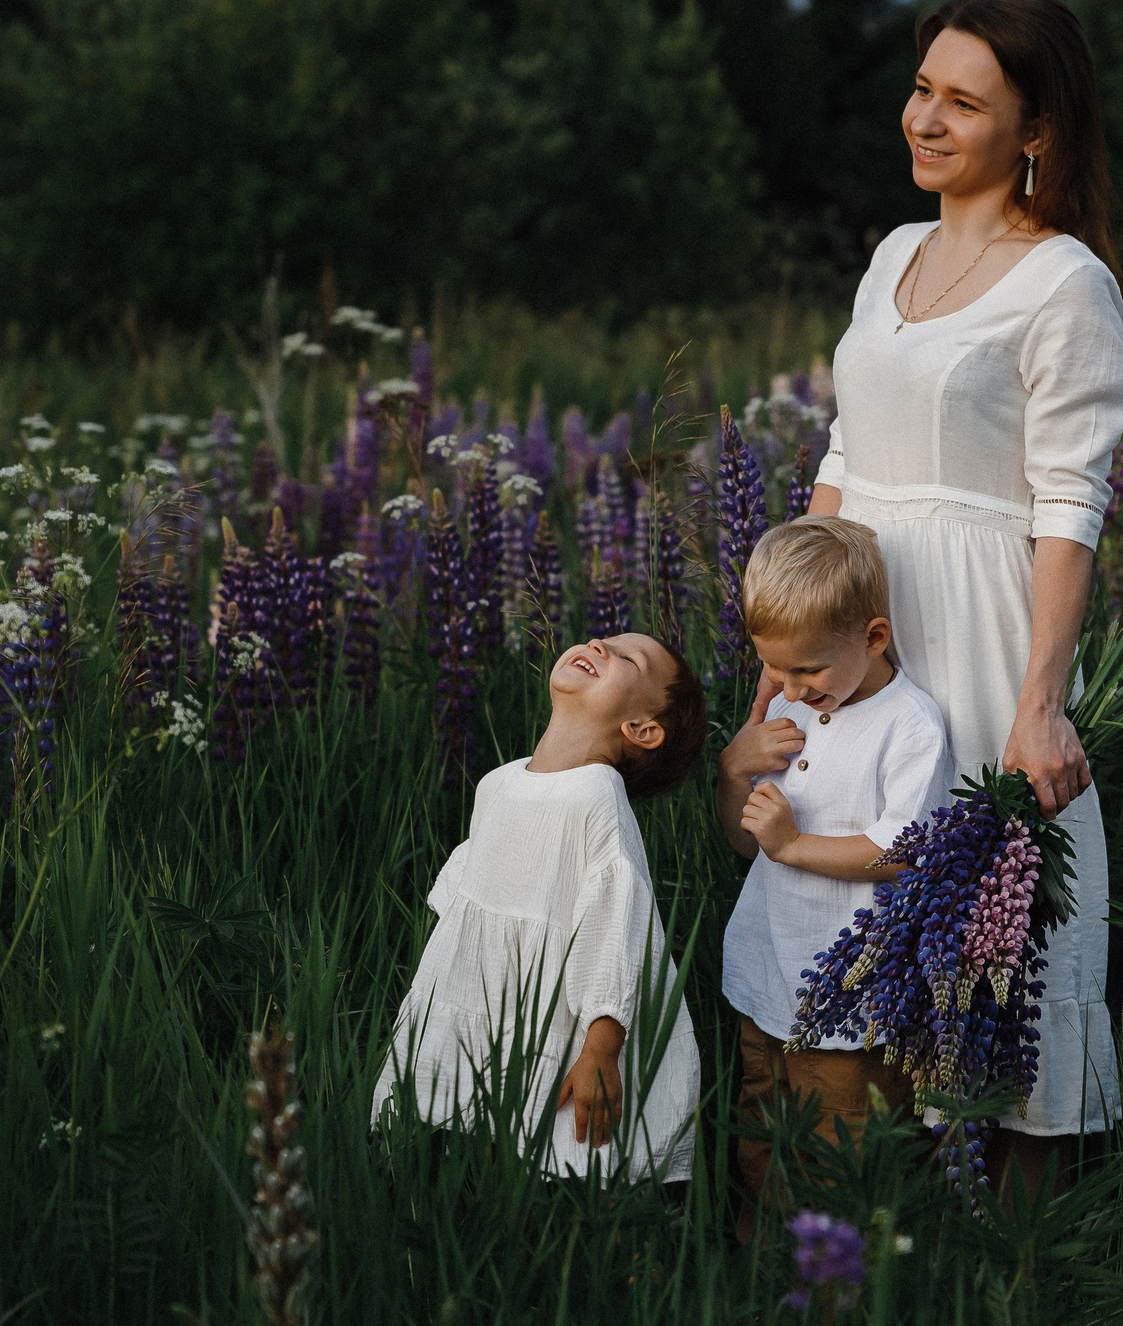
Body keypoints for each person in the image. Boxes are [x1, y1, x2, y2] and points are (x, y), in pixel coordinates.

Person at [805, 0, 1123, 1201]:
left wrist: (1041, 702)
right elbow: (844, 452)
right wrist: (791, 644)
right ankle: (889, 1213)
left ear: (1035, 127)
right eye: (921, 89)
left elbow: (1068, 504)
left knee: (1004, 929)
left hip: (987, 629)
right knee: (871, 902)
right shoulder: (895, 253)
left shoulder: (1064, 283)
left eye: (962, 101)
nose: (924, 119)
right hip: (867, 622)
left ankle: (1022, 1261)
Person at [371, 632, 708, 1181]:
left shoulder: (596, 798)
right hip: (481, 986)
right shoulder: (499, 781)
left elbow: (615, 932)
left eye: (628, 658)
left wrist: (601, 1051)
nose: (601, 643)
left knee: (558, 1156)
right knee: (461, 1126)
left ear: (642, 731)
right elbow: (466, 909)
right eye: (608, 638)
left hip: (565, 1008)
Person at [713, 516, 956, 1238]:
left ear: (873, 638)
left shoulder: (910, 725)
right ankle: (765, 1279)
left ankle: (846, 1296)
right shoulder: (786, 709)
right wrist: (734, 768)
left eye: (807, 669)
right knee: (762, 1138)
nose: (787, 687)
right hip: (764, 977)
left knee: (843, 1153)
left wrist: (794, 845)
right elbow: (744, 840)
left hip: (852, 1001)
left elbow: (904, 847)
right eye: (776, 669)